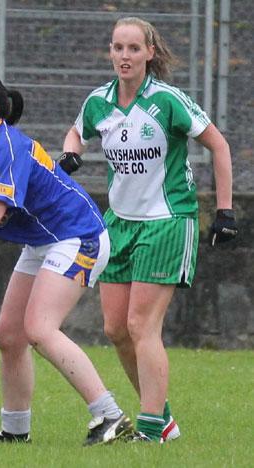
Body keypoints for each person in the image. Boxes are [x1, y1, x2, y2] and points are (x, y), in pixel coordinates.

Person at [60, 17, 238, 442]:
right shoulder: (98, 102)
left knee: (141, 325)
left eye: (133, 49)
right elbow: (75, 132)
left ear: (149, 53)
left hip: (167, 222)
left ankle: (150, 430)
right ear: (110, 51)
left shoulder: (168, 100)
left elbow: (218, 144)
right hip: (118, 223)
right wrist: (70, 155)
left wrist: (226, 212)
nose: (125, 56)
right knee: (115, 329)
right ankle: (165, 420)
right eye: (118, 48)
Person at [0, 74, 139, 446]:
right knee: (9, 334)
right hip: (43, 241)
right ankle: (16, 430)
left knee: (40, 329)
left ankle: (110, 416)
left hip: (78, 235)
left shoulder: (8, 146)